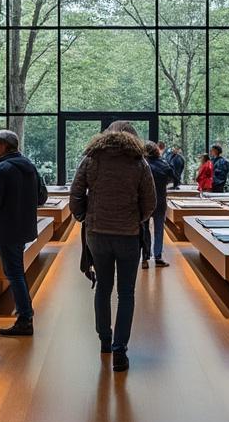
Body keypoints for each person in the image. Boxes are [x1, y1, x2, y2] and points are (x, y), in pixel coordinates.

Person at [70, 122, 156, 372]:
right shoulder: (139, 162)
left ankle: (104, 341)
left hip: (97, 234)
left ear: (105, 136)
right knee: (126, 293)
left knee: (103, 288)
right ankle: (120, 351)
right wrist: (135, 218)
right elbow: (150, 202)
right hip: (128, 235)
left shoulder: (91, 158)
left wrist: (86, 216)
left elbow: (75, 195)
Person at [0, 130, 48, 336]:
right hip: (23, 226)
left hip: (6, 227)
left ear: (3, 146)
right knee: (17, 270)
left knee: (14, 272)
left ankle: (25, 318)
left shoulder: (2, 169)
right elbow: (42, 197)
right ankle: (25, 315)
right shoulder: (29, 166)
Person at [141, 141, 175, 269]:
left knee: (144, 230)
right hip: (160, 200)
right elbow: (174, 179)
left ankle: (145, 257)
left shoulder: (142, 164)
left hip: (144, 202)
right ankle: (158, 256)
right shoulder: (164, 164)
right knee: (159, 229)